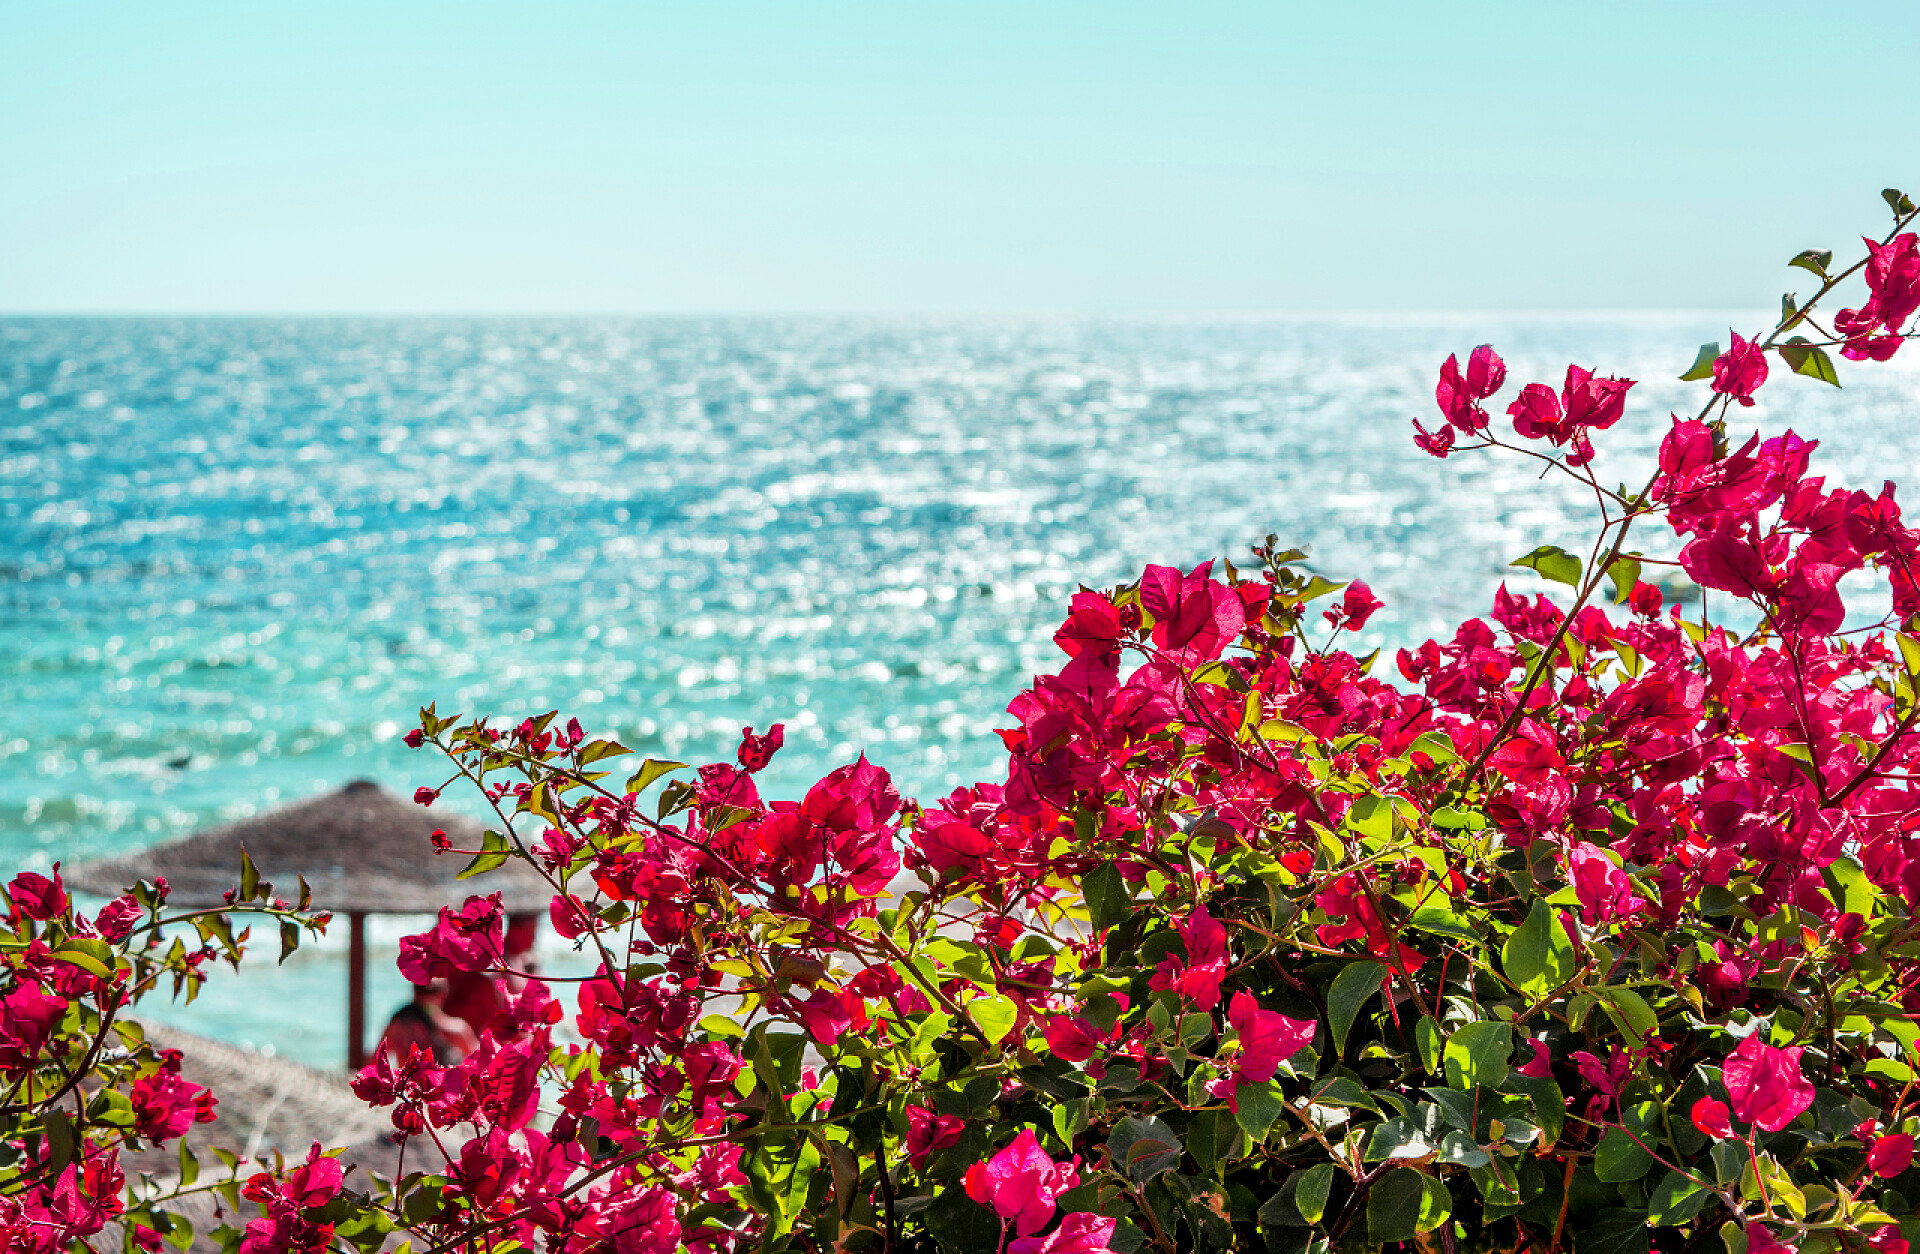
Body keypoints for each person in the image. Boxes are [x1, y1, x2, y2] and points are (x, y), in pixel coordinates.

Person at [378, 978, 478, 1064]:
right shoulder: (455, 1029)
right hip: (437, 1079)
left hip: (413, 1080)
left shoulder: (398, 1024)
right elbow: (479, 1062)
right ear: (443, 994)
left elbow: (375, 1061)